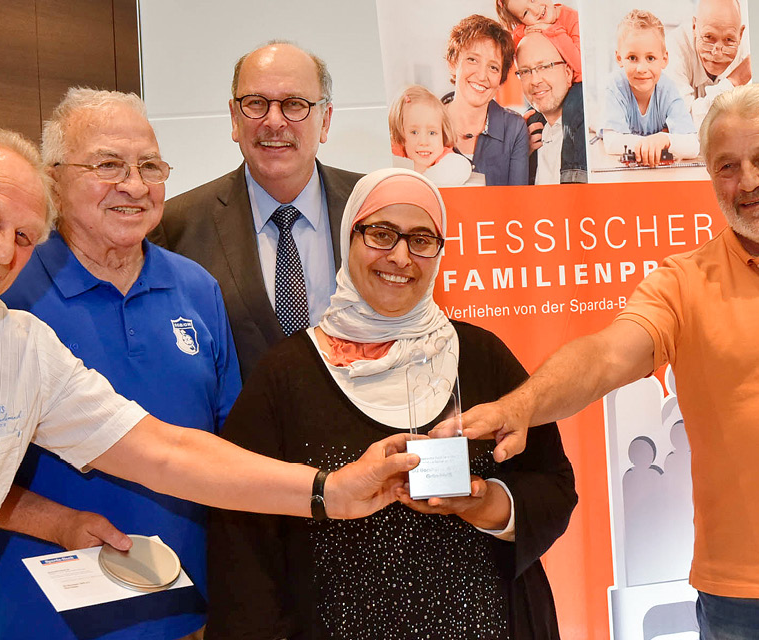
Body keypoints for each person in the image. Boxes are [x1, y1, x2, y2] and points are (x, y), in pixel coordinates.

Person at [0, 128, 419, 640]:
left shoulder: (20, 350)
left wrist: (327, 491)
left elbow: (165, 450)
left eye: (25, 236)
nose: (3, 249)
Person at [442, 84, 759, 638]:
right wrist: (522, 405)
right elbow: (606, 355)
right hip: (745, 599)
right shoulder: (682, 283)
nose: (747, 182)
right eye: (727, 166)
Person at [207, 168, 576, 639]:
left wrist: (486, 504)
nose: (401, 257)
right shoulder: (285, 376)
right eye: (381, 234)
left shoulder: (482, 356)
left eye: (421, 240)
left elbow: (553, 484)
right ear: (349, 238)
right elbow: (242, 538)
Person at [0, 89, 239, 640]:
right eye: (108, 165)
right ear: (53, 180)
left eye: (150, 166)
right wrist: (58, 523)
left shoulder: (197, 288)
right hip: (44, 619)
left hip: (185, 617)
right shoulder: (5, 292)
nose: (135, 185)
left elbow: (226, 448)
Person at [151, 41, 362, 380]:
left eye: (295, 104)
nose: (274, 121)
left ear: (325, 120)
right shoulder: (176, 227)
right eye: (256, 103)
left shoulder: (375, 207)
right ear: (234, 118)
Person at [600, 10, 698, 167]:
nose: (641, 69)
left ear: (664, 59)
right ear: (619, 59)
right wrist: (650, 144)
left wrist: (663, 139)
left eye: (650, 58)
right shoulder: (615, 87)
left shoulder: (669, 90)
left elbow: (692, 145)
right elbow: (611, 142)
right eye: (632, 58)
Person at [442, 15, 529, 186]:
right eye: (472, 60)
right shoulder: (424, 122)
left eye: (493, 67)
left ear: (501, 79)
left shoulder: (514, 129)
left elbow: (518, 199)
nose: (482, 76)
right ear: (453, 63)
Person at [662, 0, 751, 124]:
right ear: (694, 27)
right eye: (709, 37)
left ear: (740, 35)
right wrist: (736, 80)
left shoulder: (748, 50)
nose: (717, 54)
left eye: (729, 40)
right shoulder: (672, 50)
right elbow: (683, 121)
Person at [515, 32, 587, 184]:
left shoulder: (590, 131)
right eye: (525, 71)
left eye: (544, 67)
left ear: (568, 73)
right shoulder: (528, 135)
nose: (535, 80)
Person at [388, 84, 474, 186]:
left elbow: (461, 167)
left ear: (443, 134)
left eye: (432, 133)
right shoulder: (394, 154)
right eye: (414, 132)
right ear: (399, 134)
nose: (424, 142)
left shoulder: (447, 159)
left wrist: (420, 176)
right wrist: (414, 167)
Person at [496, 0, 582, 82]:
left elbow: (580, 64)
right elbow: (516, 39)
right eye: (526, 13)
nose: (535, 10)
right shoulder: (530, 29)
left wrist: (552, 31)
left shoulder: (574, 19)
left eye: (533, 0)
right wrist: (524, 32)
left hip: (578, 83)